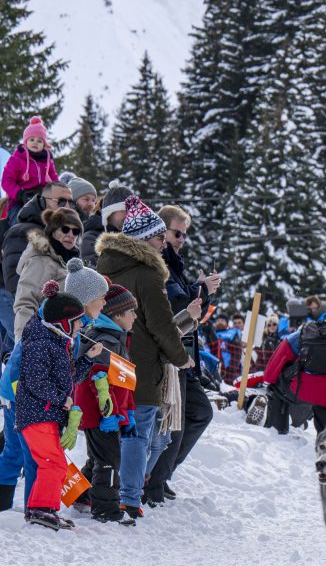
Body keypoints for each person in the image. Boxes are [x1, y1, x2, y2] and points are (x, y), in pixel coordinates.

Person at [95, 195, 196, 519]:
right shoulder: (149, 274)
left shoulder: (107, 265)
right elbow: (161, 324)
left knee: (121, 432)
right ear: (142, 240)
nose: (163, 243)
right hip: (142, 364)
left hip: (111, 357)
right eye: (157, 237)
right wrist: (181, 358)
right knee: (143, 434)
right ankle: (129, 496)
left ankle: (113, 491)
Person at [146, 204, 220, 505]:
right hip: (171, 351)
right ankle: (153, 482)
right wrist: (200, 288)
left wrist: (202, 290)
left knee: (200, 413)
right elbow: (177, 301)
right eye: (177, 233)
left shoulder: (174, 262)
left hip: (184, 350)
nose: (180, 240)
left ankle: (161, 475)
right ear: (162, 231)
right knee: (173, 423)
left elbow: (189, 306)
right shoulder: (159, 261)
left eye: (184, 235)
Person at [15, 282, 103, 529]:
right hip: (36, 414)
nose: (81, 326)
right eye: (77, 322)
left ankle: (40, 508)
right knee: (54, 462)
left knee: (52, 463)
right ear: (64, 323)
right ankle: (42, 509)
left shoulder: (56, 342)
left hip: (44, 414)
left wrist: (88, 359)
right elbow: (35, 381)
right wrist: (61, 399)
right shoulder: (41, 344)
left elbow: (69, 379)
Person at [74, 283, 139, 523]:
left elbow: (124, 380)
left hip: (108, 412)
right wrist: (109, 413)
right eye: (131, 311)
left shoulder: (116, 338)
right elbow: (97, 378)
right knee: (109, 460)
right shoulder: (107, 341)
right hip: (101, 414)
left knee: (99, 456)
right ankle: (106, 509)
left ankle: (81, 496)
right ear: (118, 314)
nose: (135, 316)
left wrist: (127, 411)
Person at [262, 318, 326, 433]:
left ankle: (277, 431)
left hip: (305, 389)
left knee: (275, 389)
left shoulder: (295, 338)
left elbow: (269, 375)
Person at [12, 208, 82, 338]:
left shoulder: (69, 261)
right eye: (65, 229)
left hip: (64, 338)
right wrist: (24, 341)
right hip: (44, 340)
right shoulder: (41, 260)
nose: (71, 234)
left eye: (76, 231)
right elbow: (26, 303)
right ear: (53, 231)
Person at [1, 117, 59, 222]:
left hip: (42, 201)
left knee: (54, 222)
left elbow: (54, 179)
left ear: (44, 144)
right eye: (32, 139)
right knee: (19, 223)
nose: (35, 143)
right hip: (19, 201)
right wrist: (20, 194)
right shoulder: (17, 159)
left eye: (39, 141)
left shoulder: (47, 160)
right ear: (26, 142)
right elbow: (6, 181)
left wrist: (59, 192)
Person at [80, 182, 132, 268]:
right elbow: (93, 273)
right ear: (109, 212)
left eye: (132, 212)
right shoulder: (90, 239)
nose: (129, 215)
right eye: (124, 210)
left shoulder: (133, 236)